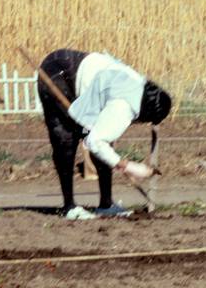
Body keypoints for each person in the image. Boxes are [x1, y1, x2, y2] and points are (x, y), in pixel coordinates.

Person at [36, 49, 172, 219]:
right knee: (66, 139)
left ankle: (106, 204)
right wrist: (129, 166)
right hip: (59, 73)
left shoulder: (141, 87)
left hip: (78, 71)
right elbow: (94, 142)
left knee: (100, 142)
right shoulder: (124, 107)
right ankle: (69, 207)